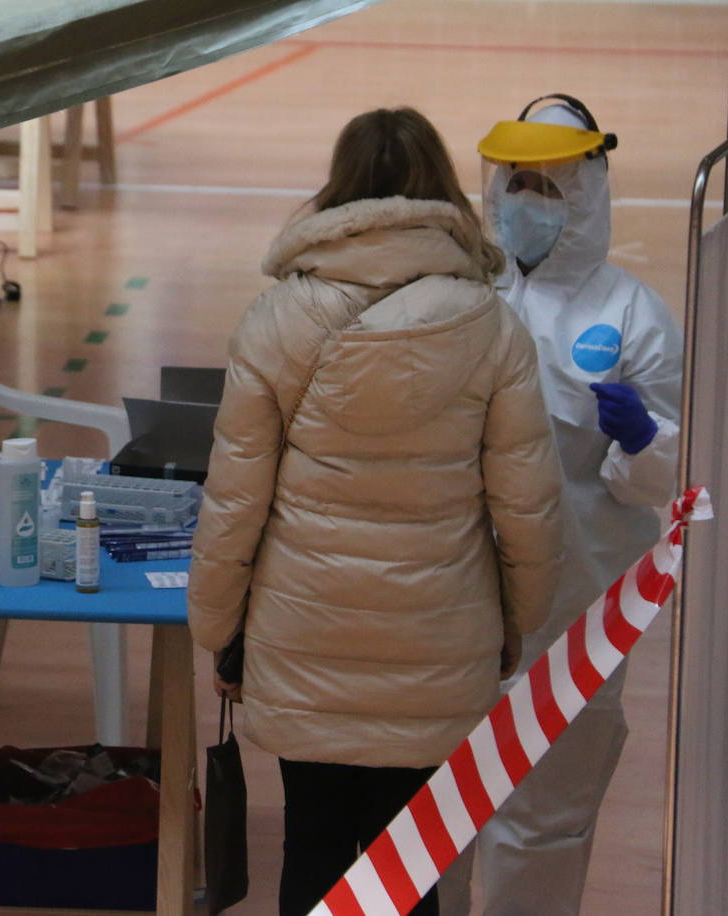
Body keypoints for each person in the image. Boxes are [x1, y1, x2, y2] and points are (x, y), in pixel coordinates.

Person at [186, 107, 563, 916]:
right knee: (409, 864)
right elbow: (527, 500)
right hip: (438, 633)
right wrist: (517, 620)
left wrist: (218, 628)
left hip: (303, 634)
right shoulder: (490, 324)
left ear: (340, 188)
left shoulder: (276, 319)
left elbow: (234, 499)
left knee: (313, 846)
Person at [438, 95, 683, 916]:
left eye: (550, 186)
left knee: (542, 816)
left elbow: (678, 481)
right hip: (454, 600)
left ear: (588, 191)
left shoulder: (633, 315)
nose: (528, 203)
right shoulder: (460, 296)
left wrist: (644, 440)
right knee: (442, 808)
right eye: (517, 182)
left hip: (577, 607)